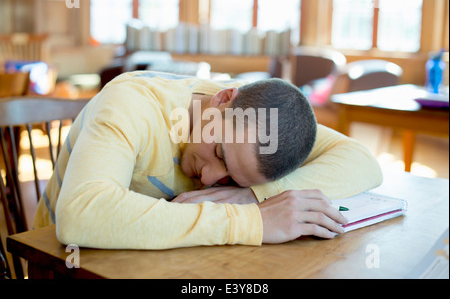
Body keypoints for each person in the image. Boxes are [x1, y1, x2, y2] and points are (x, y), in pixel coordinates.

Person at [33, 71, 382, 249]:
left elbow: (363, 162)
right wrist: (251, 222)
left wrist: (257, 196)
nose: (212, 179)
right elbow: (80, 214)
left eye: (233, 178)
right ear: (222, 100)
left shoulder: (266, 124)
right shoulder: (132, 103)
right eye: (220, 153)